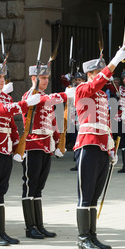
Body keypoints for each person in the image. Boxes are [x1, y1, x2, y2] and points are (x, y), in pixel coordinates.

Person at [0, 62, 41, 246]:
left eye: (3, 77)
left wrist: (16, 144)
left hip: (4, 147)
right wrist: (25, 103)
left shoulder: (3, 96)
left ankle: (1, 231)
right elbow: (4, 110)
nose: (2, 79)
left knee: (1, 190)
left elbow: (11, 123)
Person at [73, 46, 125, 249]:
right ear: (89, 75)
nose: (103, 77)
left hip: (102, 146)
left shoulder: (103, 96)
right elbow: (96, 84)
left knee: (95, 195)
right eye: (98, 73)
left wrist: (111, 146)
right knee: (85, 194)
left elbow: (106, 124)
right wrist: (114, 62)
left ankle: (92, 235)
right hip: (87, 145)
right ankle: (82, 237)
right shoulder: (83, 89)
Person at [20, 64, 74, 239]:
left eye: (47, 78)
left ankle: (39, 225)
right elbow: (47, 101)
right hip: (32, 144)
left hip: (45, 145)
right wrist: (66, 95)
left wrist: (58, 141)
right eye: (43, 78)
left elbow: (52, 120)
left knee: (39, 187)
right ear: (34, 79)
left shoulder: (43, 96)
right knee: (30, 185)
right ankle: (30, 227)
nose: (46, 81)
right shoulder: (30, 96)